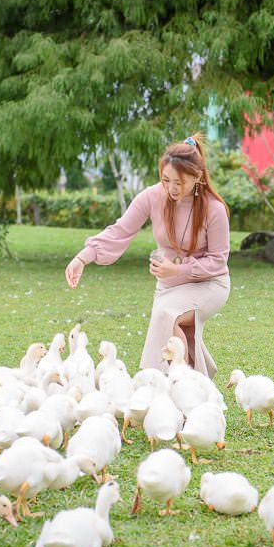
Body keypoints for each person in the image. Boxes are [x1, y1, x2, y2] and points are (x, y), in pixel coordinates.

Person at [65, 135, 231, 378]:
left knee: (167, 315)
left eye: (179, 182)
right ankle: (192, 383)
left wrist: (178, 270)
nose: (172, 188)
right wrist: (83, 257)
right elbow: (121, 229)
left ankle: (164, 384)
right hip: (168, 286)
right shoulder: (152, 196)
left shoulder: (214, 209)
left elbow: (218, 261)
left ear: (197, 177)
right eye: (166, 180)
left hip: (209, 284)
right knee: (172, 322)